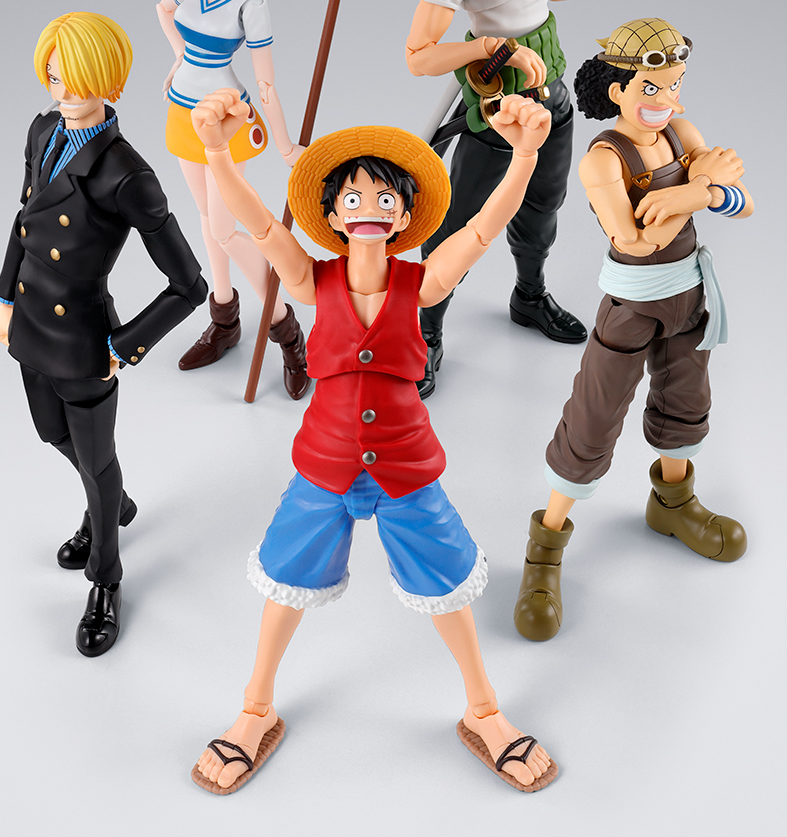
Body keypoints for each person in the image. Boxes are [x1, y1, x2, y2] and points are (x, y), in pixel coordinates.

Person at [187, 88, 557, 794]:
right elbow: (259, 223)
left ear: (404, 216)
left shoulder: (422, 283)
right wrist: (215, 153)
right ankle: (255, 706)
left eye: (385, 199)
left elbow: (483, 228)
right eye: (353, 198)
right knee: (286, 577)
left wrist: (524, 158)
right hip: (323, 465)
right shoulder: (310, 279)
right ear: (330, 214)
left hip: (406, 468)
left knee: (447, 582)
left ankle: (484, 709)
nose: (369, 210)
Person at [512, 18, 751, 642]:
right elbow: (633, 240)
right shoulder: (604, 159)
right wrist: (698, 191)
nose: (666, 99)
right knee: (594, 415)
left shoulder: (681, 133)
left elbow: (743, 201)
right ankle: (544, 549)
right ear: (618, 89)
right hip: (634, 301)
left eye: (674, 84)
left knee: (686, 400)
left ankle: (673, 503)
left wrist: (696, 193)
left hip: (690, 293)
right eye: (651, 86)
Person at [0, 12, 208, 656]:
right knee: (50, 433)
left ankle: (106, 577)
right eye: (54, 75)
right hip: (30, 320)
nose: (63, 91)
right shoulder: (41, 131)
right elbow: (24, 220)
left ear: (110, 81)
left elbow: (189, 284)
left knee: (95, 461)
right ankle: (112, 502)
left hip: (84, 337)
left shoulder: (127, 174)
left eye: (77, 78)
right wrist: (3, 296)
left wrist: (125, 345)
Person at [407, 0, 638, 396]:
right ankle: (424, 330)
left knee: (543, 206)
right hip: (497, 104)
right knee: (458, 221)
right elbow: (419, 56)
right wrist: (491, 47)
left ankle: (529, 296)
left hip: (550, 89)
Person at [156, 0, 308, 398]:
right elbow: (162, 7)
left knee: (225, 229)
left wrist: (285, 146)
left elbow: (266, 84)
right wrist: (180, 56)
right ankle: (225, 320)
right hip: (183, 112)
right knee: (206, 218)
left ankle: (285, 328)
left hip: (225, 119)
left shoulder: (252, 2)